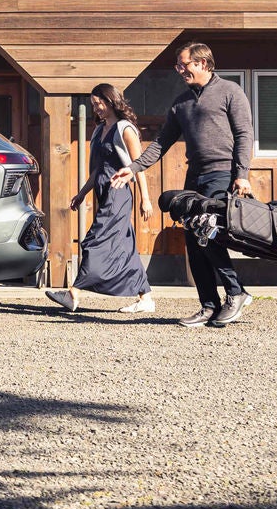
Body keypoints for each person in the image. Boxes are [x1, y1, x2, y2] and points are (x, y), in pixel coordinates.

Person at [107, 41, 254, 328]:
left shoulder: (230, 93)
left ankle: (236, 293)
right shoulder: (181, 103)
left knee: (208, 233)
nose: (180, 70)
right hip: (195, 176)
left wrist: (242, 174)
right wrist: (132, 168)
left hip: (222, 174)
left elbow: (244, 135)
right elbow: (161, 144)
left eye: (184, 65)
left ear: (203, 63)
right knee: (193, 239)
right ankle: (209, 306)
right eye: (178, 66)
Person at [47, 83, 154, 314]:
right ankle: (146, 298)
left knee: (95, 239)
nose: (97, 109)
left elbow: (140, 166)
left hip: (119, 191)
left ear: (111, 101)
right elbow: (96, 170)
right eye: (94, 105)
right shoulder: (98, 130)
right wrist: (81, 193)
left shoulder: (125, 129)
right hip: (102, 190)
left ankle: (73, 293)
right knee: (125, 245)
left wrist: (146, 198)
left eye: (100, 104)